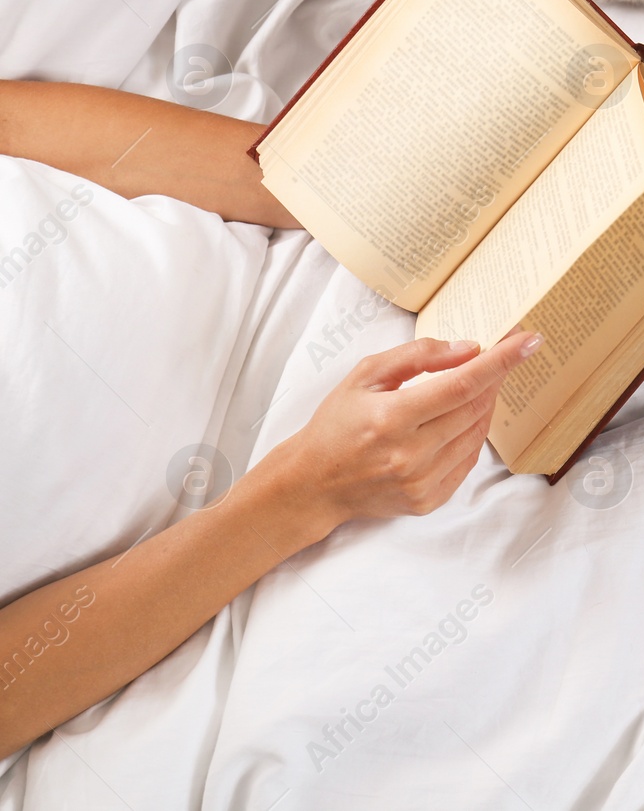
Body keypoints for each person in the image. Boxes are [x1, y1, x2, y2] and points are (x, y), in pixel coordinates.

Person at [0, 79, 536, 757]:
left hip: (294, 249)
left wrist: (353, 192)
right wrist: (311, 489)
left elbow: (10, 121)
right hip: (264, 510)